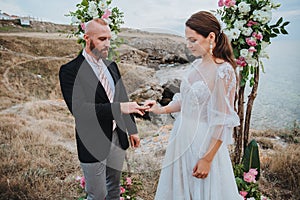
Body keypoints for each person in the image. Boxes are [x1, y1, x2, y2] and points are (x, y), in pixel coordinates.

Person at [145, 11, 243, 199]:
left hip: (203, 142)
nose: (189, 46)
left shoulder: (224, 71)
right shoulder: (195, 66)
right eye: (187, 40)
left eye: (193, 40)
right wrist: (160, 108)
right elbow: (185, 101)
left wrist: (207, 159)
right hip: (181, 138)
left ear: (211, 37)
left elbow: (222, 120)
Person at [59, 18, 148, 200]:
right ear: (87, 38)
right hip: (92, 140)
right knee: (98, 194)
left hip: (117, 136)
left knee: (114, 189)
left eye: (109, 38)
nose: (107, 44)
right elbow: (80, 110)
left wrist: (132, 130)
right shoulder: (70, 71)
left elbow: (122, 97)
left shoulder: (111, 66)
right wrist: (119, 108)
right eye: (101, 39)